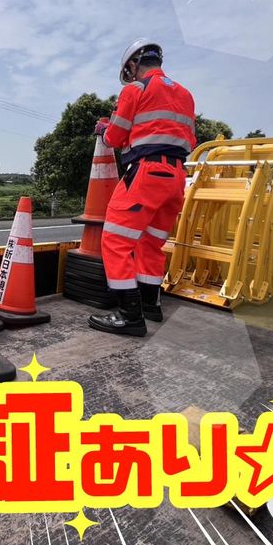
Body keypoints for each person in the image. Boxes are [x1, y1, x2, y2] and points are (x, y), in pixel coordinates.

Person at [88, 39, 196, 337]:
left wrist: (104, 130)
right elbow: (189, 139)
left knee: (115, 240)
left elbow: (116, 137)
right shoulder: (185, 94)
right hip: (177, 176)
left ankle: (129, 316)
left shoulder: (135, 90)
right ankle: (150, 306)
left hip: (147, 172)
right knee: (151, 243)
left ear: (134, 64)